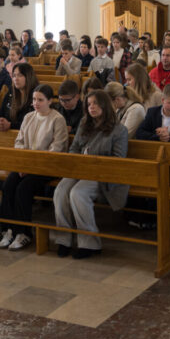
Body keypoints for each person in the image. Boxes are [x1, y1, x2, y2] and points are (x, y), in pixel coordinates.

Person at [53, 90, 129, 259]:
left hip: (103, 175)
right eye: (89, 104)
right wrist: (77, 161)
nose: (92, 107)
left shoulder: (119, 130)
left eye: (95, 103)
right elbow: (74, 148)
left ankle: (89, 242)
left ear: (104, 105)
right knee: (60, 191)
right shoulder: (84, 123)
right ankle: (64, 238)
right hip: (81, 169)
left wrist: (94, 163)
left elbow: (118, 160)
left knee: (78, 193)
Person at [0, 84, 69, 252]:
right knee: (8, 185)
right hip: (26, 164)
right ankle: (9, 229)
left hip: (47, 167)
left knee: (23, 188)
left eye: (41, 100)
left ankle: (24, 232)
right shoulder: (29, 117)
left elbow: (56, 149)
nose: (36, 103)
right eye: (34, 99)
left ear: (50, 101)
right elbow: (19, 142)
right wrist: (24, 163)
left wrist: (32, 166)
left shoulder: (57, 119)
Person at [0, 63, 38, 132]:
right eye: (14, 76)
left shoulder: (36, 95)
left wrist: (10, 125)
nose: (16, 79)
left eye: (20, 75)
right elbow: (0, 113)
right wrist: (0, 122)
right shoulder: (11, 91)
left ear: (28, 77)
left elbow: (33, 123)